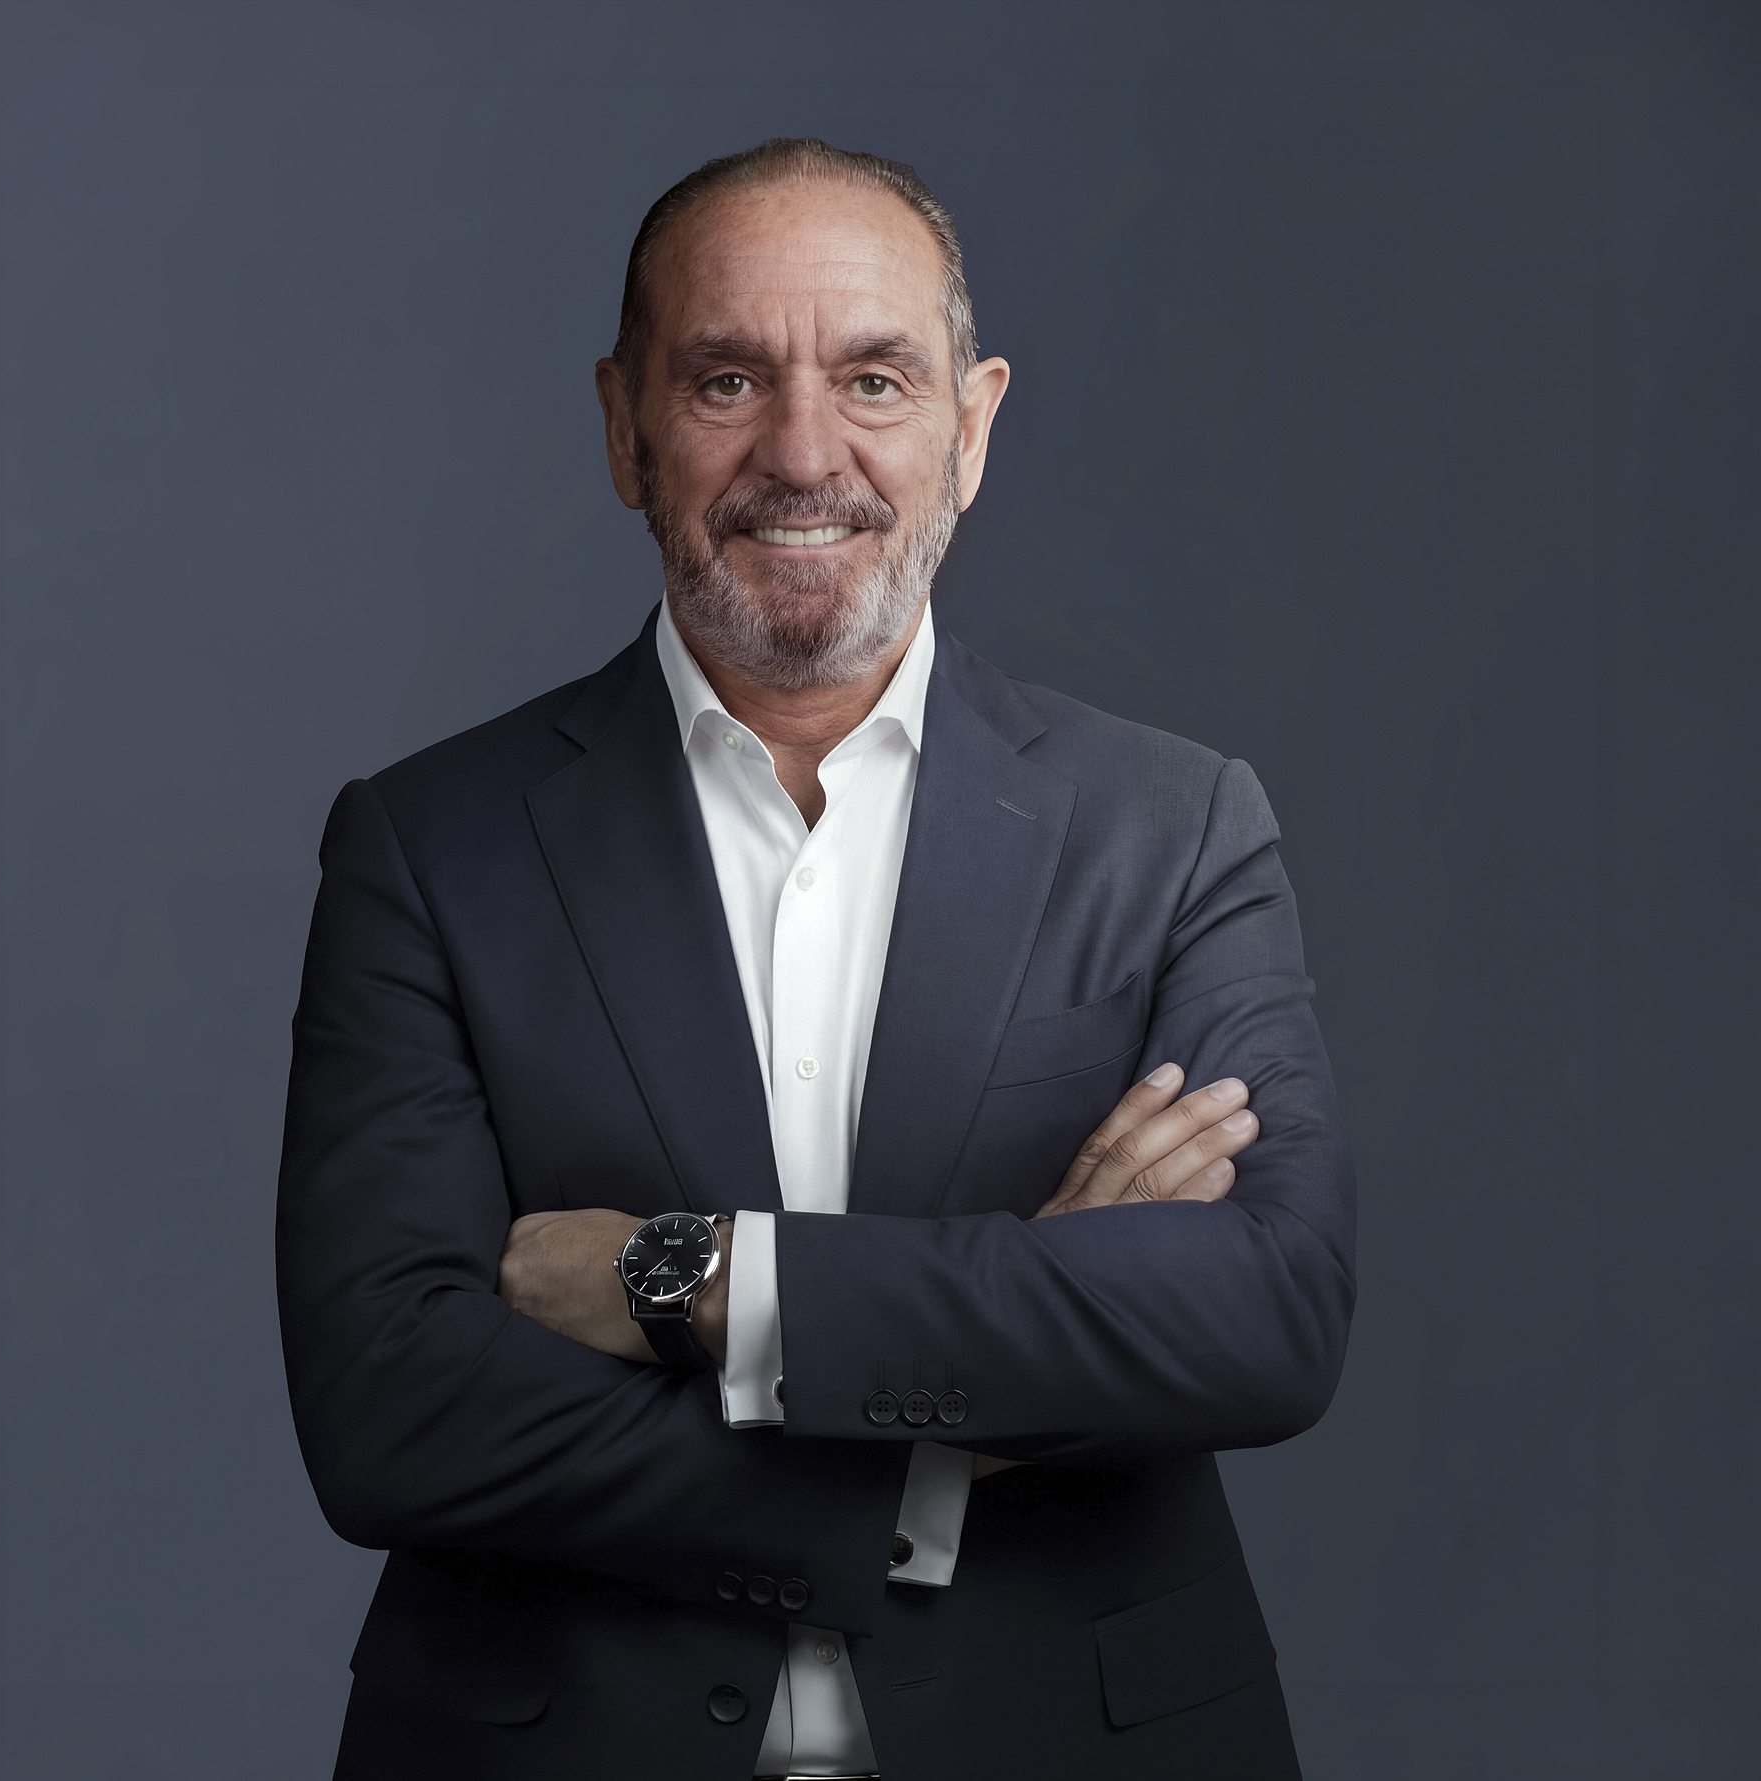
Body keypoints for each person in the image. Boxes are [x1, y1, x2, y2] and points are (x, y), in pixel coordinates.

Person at [276, 136, 1355, 1781]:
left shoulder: (1175, 826)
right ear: (625, 426)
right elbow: (391, 1409)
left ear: (971, 427)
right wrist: (975, 1400)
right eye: (726, 380)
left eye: (873, 379)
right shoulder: (430, 845)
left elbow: (1263, 1313)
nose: (802, 452)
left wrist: (705, 1283)